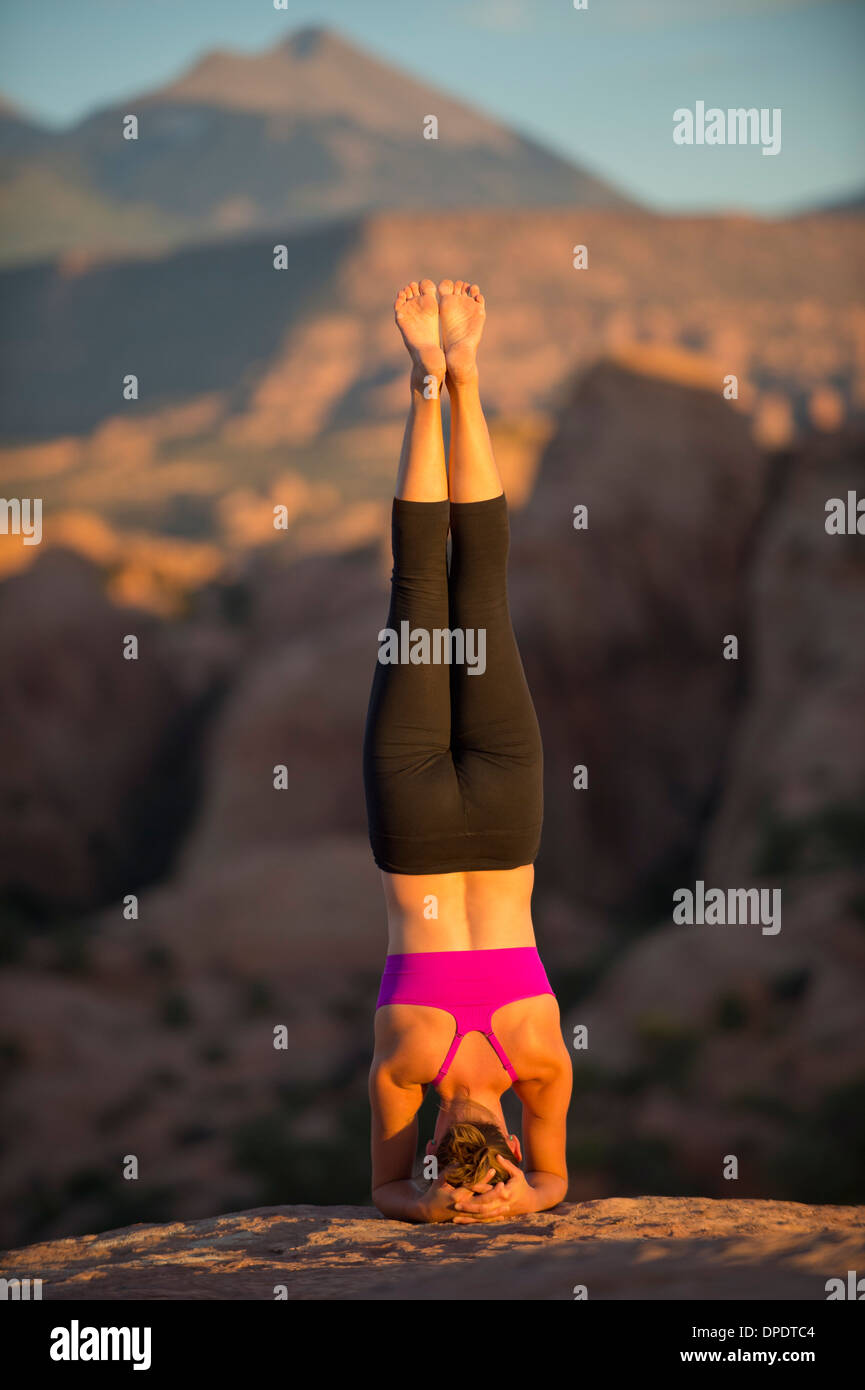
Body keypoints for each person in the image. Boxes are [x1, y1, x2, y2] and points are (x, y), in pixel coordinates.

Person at [364, 278, 572, 1223]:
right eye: (482, 1166)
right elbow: (557, 1186)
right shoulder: (533, 1064)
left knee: (434, 589)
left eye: (448, 1170)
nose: (459, 1160)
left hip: (438, 824)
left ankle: (433, 380)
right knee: (458, 589)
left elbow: (379, 1189)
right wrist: (511, 1207)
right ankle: (458, 378)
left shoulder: (425, 1071)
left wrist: (462, 1207)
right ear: (514, 1149)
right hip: (482, 817)